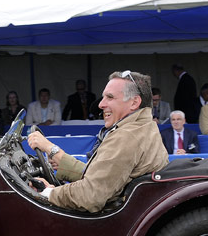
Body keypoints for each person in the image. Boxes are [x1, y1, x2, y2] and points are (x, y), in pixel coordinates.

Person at [27, 71, 169, 212]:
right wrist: (56, 153)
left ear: (134, 102)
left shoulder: (126, 136)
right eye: (103, 97)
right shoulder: (144, 126)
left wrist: (48, 193)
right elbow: (102, 176)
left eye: (110, 97)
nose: (101, 104)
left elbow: (90, 195)